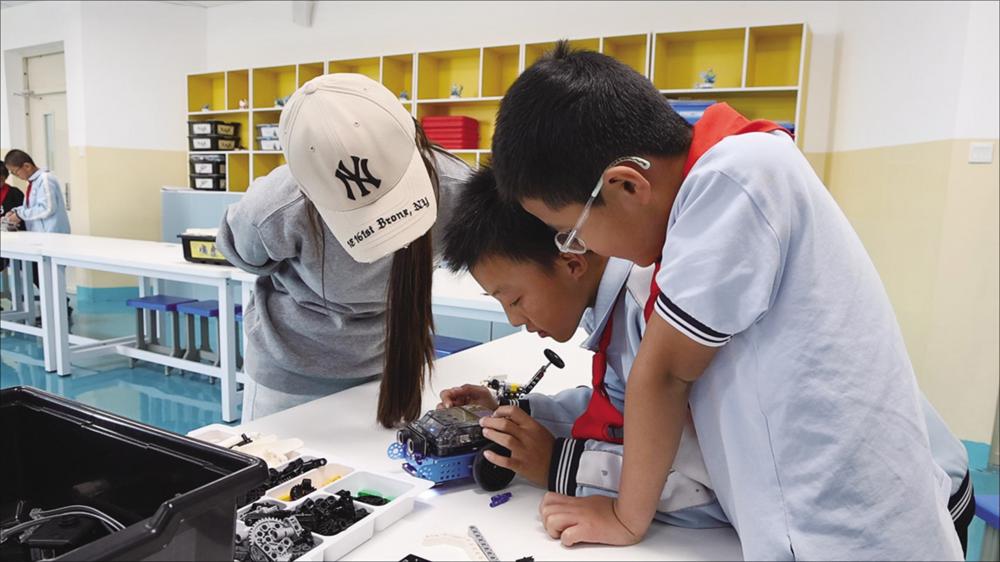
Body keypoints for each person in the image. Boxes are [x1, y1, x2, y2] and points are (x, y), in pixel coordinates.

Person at [488, 42, 969, 559]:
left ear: (626, 186)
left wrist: (626, 518)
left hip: (851, 537)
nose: (579, 248)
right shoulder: (719, 185)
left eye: (571, 232)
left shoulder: (734, 177)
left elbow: (663, 374)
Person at [437, 166, 728, 529]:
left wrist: (561, 464)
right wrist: (512, 413)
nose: (513, 319)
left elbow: (709, 489)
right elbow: (621, 410)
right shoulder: (617, 303)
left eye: (514, 299)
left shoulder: (651, 315)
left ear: (572, 261)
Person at [216, 74, 469, 424]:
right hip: (291, 376)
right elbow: (243, 251)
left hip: (392, 368)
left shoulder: (457, 188)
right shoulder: (276, 207)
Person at [3, 149, 71, 234]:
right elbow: (31, 207)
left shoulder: (45, 179)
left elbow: (47, 208)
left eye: (16, 172)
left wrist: (20, 215)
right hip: (39, 234)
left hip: (52, 234)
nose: (17, 176)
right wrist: (15, 212)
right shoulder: (33, 183)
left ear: (27, 166)